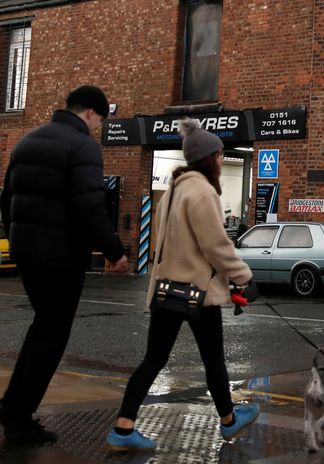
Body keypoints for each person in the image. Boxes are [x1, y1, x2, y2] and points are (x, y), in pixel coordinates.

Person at [106, 118, 259, 451]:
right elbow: (216, 245)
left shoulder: (174, 190)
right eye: (219, 155)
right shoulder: (202, 192)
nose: (221, 159)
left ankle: (123, 427)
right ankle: (229, 421)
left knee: (153, 359)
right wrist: (244, 278)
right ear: (207, 158)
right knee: (213, 360)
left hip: (167, 290)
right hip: (197, 294)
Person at [0, 85, 129, 444]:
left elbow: (6, 196)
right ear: (89, 112)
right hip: (61, 257)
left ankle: (13, 408)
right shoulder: (83, 146)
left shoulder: (28, 140)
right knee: (52, 337)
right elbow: (90, 204)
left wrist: (16, 237)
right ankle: (19, 421)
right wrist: (115, 250)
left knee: (42, 329)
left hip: (26, 252)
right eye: (100, 120)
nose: (98, 127)